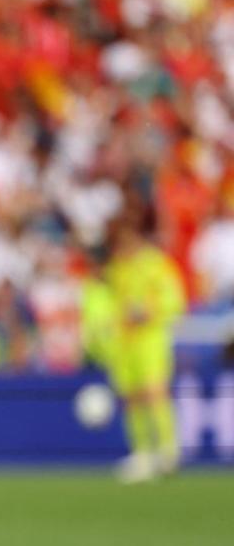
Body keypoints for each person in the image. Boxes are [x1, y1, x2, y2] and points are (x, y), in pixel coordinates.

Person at [94, 205, 187, 483]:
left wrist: (149, 312)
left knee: (154, 391)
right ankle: (143, 453)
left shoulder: (155, 264)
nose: (123, 245)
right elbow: (109, 303)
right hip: (125, 340)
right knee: (132, 396)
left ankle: (168, 451)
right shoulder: (117, 269)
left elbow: (175, 299)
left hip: (150, 337)